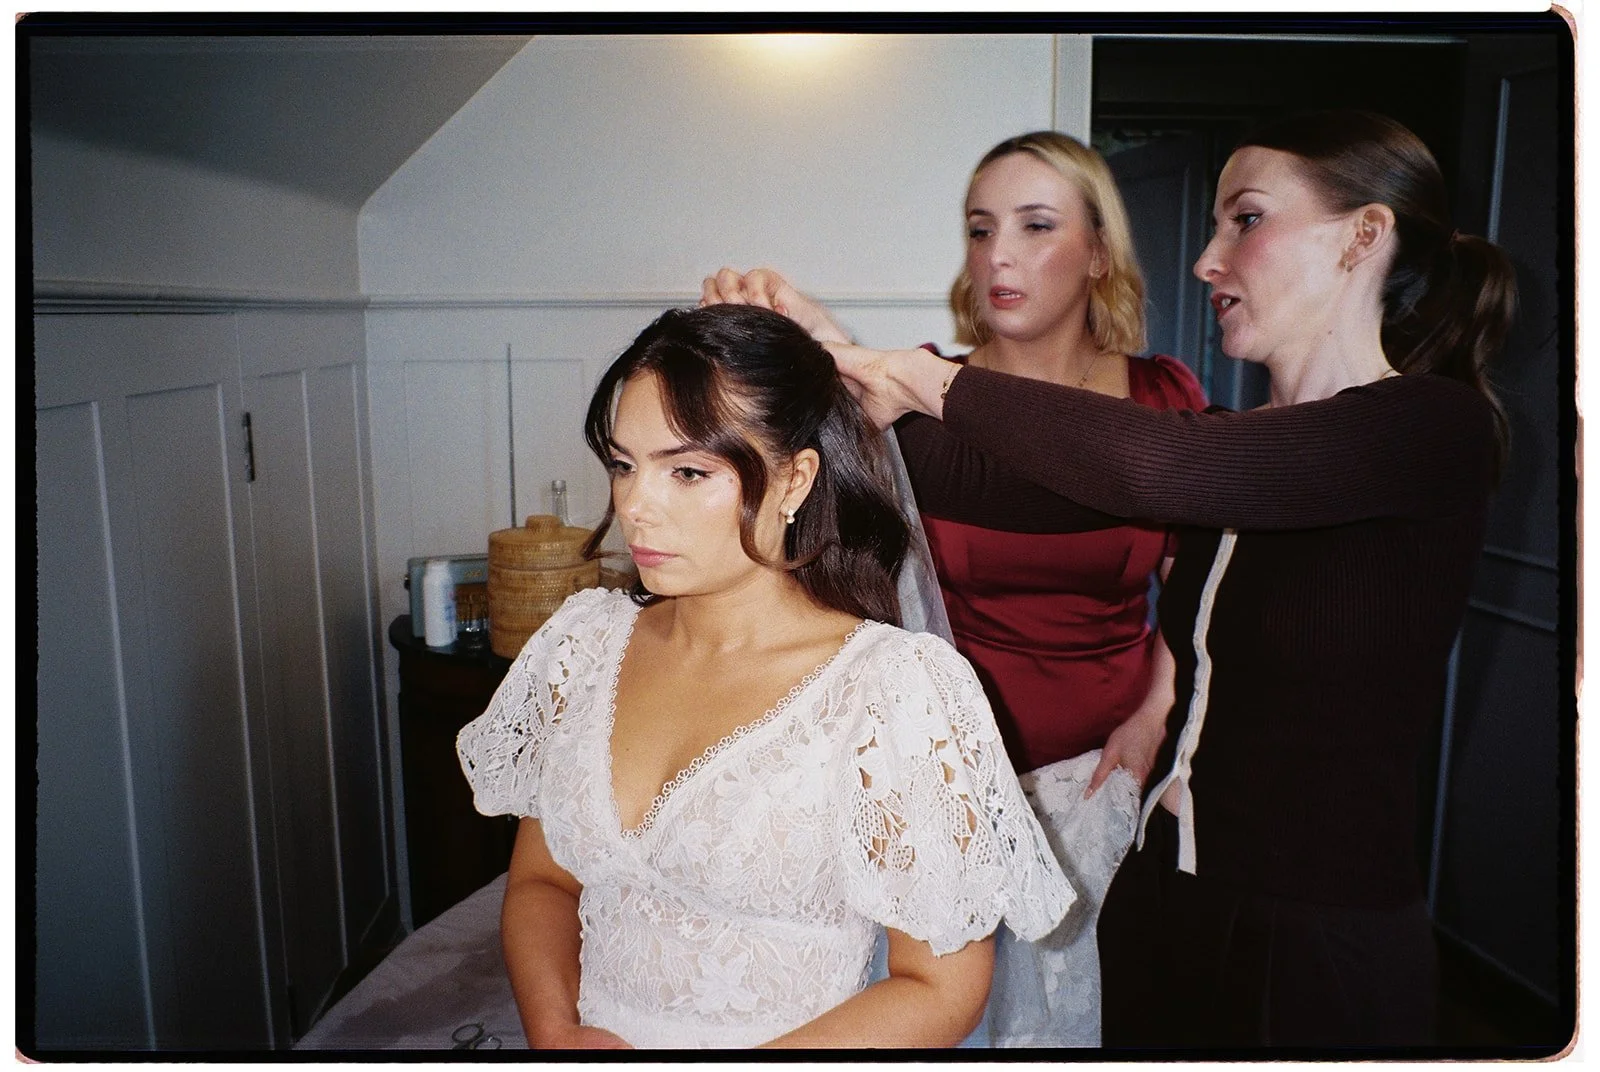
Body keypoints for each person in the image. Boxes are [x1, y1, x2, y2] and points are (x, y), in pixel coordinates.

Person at [819, 110, 1515, 1048]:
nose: (1207, 260)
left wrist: (920, 378)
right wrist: (824, 366)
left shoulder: (1430, 430)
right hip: (1163, 893)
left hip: (1313, 936)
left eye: (1247, 221)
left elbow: (1155, 465)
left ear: (1363, 236)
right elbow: (981, 478)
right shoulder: (1238, 441)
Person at [702, 130, 1208, 1046]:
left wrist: (1154, 713)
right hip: (938, 782)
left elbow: (1200, 592)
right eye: (980, 230)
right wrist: (817, 350)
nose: (998, 255)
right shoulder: (915, 397)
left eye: (1034, 225)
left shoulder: (1162, 398)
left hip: (1101, 783)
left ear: (1099, 252)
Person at [455, 304, 1074, 1049]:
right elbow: (542, 884)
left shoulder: (894, 692)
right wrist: (557, 1034)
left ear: (794, 479)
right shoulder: (583, 648)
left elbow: (940, 986)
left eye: (687, 470)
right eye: (625, 464)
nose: (635, 506)